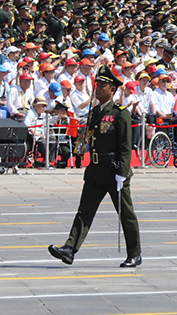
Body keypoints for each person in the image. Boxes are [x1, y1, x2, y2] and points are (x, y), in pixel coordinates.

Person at [48, 66, 142, 268]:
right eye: (97, 84)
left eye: (103, 85)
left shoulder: (120, 113)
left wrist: (122, 173)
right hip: (96, 170)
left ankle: (134, 253)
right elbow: (88, 138)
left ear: (113, 90)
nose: (98, 88)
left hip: (114, 169)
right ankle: (70, 249)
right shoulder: (95, 112)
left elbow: (125, 147)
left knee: (126, 214)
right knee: (84, 211)